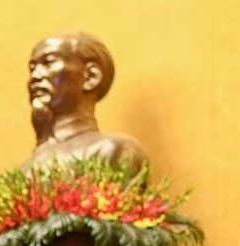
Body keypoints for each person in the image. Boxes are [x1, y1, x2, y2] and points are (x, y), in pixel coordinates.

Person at [24, 32, 148, 174]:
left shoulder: (112, 150)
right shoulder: (23, 169)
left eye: (48, 62)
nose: (35, 76)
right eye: (32, 68)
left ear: (91, 76)